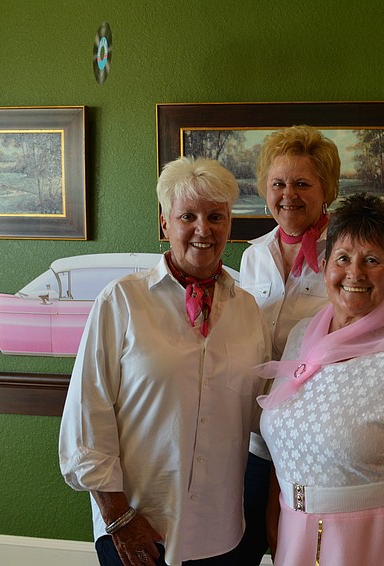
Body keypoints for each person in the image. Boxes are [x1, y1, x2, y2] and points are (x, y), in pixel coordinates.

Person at [59, 156, 271, 566]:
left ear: (229, 223)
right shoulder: (121, 302)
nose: (202, 230)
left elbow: (262, 418)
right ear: (164, 224)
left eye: (215, 216)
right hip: (138, 529)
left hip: (221, 532)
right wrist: (119, 518)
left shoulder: (249, 312)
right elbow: (87, 420)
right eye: (187, 216)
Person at [259, 192, 384, 566]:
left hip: (381, 541)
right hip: (297, 538)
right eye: (343, 258)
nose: (355, 273)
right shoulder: (299, 338)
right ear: (324, 267)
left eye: (371, 260)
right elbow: (282, 451)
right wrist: (277, 537)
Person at [235, 125, 341, 564]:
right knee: (239, 547)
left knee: (295, 552)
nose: (288, 194)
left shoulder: (344, 256)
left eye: (302, 183)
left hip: (312, 443)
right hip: (254, 440)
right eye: (278, 183)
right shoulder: (252, 255)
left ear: (326, 191)